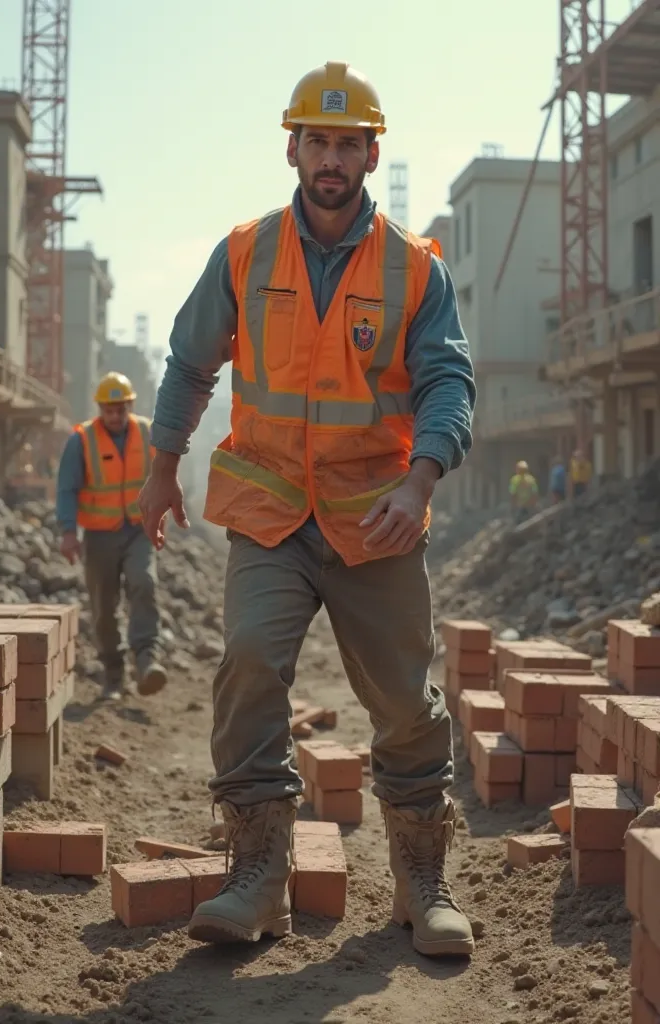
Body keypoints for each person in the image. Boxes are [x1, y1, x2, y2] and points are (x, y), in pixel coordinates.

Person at [139, 62, 476, 958]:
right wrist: (160, 469)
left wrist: (421, 481)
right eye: (317, 141)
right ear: (292, 146)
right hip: (273, 512)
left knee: (406, 700)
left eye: (348, 143)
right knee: (248, 663)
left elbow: (449, 379)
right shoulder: (246, 252)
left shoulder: (413, 267)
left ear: (371, 153)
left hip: (377, 517)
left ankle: (421, 882)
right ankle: (257, 878)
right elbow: (188, 363)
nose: (331, 158)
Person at [57, 372, 167, 699]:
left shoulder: (148, 433)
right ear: (101, 408)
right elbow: (67, 489)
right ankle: (113, 676)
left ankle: (147, 661)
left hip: (138, 530)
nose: (115, 416)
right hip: (99, 536)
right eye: (109, 410)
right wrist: (67, 532)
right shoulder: (82, 440)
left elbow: (163, 478)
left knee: (144, 583)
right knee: (104, 606)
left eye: (121, 409)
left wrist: (162, 519)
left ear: (130, 405)